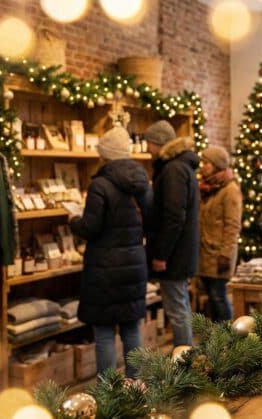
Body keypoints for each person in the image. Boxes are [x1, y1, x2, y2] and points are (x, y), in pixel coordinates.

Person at [70, 126, 151, 378]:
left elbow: (90, 228)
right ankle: (136, 385)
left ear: (105, 154)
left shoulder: (100, 185)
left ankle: (109, 391)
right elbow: (151, 221)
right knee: (132, 328)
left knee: (104, 332)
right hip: (135, 263)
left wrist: (73, 221)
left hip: (104, 268)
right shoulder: (142, 182)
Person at [143, 120, 199, 347]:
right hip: (181, 250)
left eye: (149, 143)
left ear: (159, 143)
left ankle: (184, 357)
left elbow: (173, 217)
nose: (147, 148)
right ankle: (185, 352)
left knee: (176, 308)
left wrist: (161, 254)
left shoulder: (173, 170)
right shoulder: (180, 167)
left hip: (175, 254)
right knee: (179, 305)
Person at [197, 145, 242, 321]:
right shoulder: (207, 188)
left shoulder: (230, 190)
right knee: (212, 297)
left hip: (219, 255)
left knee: (218, 297)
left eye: (207, 163)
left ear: (217, 165)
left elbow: (232, 226)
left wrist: (225, 255)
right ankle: (217, 333)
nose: (203, 166)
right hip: (205, 253)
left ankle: (227, 333)